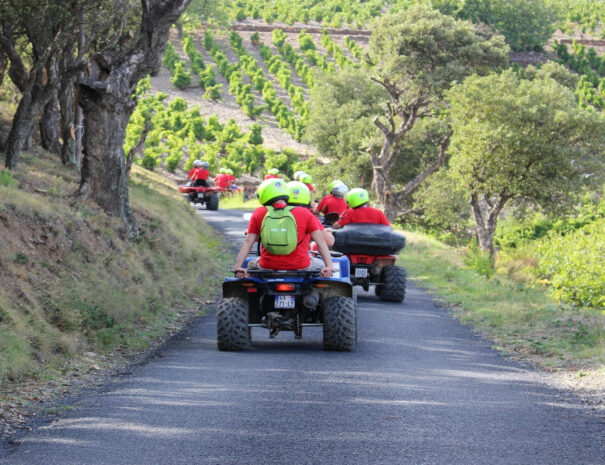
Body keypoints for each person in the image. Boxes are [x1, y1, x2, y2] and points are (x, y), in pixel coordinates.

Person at [233, 179, 333, 278]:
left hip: (267, 266)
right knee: (320, 265)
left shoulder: (259, 212)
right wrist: (329, 266)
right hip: (301, 266)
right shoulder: (305, 213)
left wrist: (238, 267)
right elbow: (321, 242)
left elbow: (248, 242)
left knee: (250, 266)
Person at [287, 181, 334, 247]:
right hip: (301, 257)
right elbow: (330, 242)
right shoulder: (307, 215)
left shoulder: (271, 212)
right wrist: (328, 232)